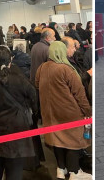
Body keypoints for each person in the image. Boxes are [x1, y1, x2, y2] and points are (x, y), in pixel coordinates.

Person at [0, 46, 37, 180]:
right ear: (11, 59)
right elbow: (33, 94)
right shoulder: (19, 77)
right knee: (15, 164)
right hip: (17, 125)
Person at [35, 41, 92, 180]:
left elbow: (36, 85)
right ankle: (75, 172)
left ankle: (61, 169)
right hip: (69, 112)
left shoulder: (42, 68)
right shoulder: (66, 69)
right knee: (73, 141)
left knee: (57, 141)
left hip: (49, 113)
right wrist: (88, 111)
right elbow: (79, 93)